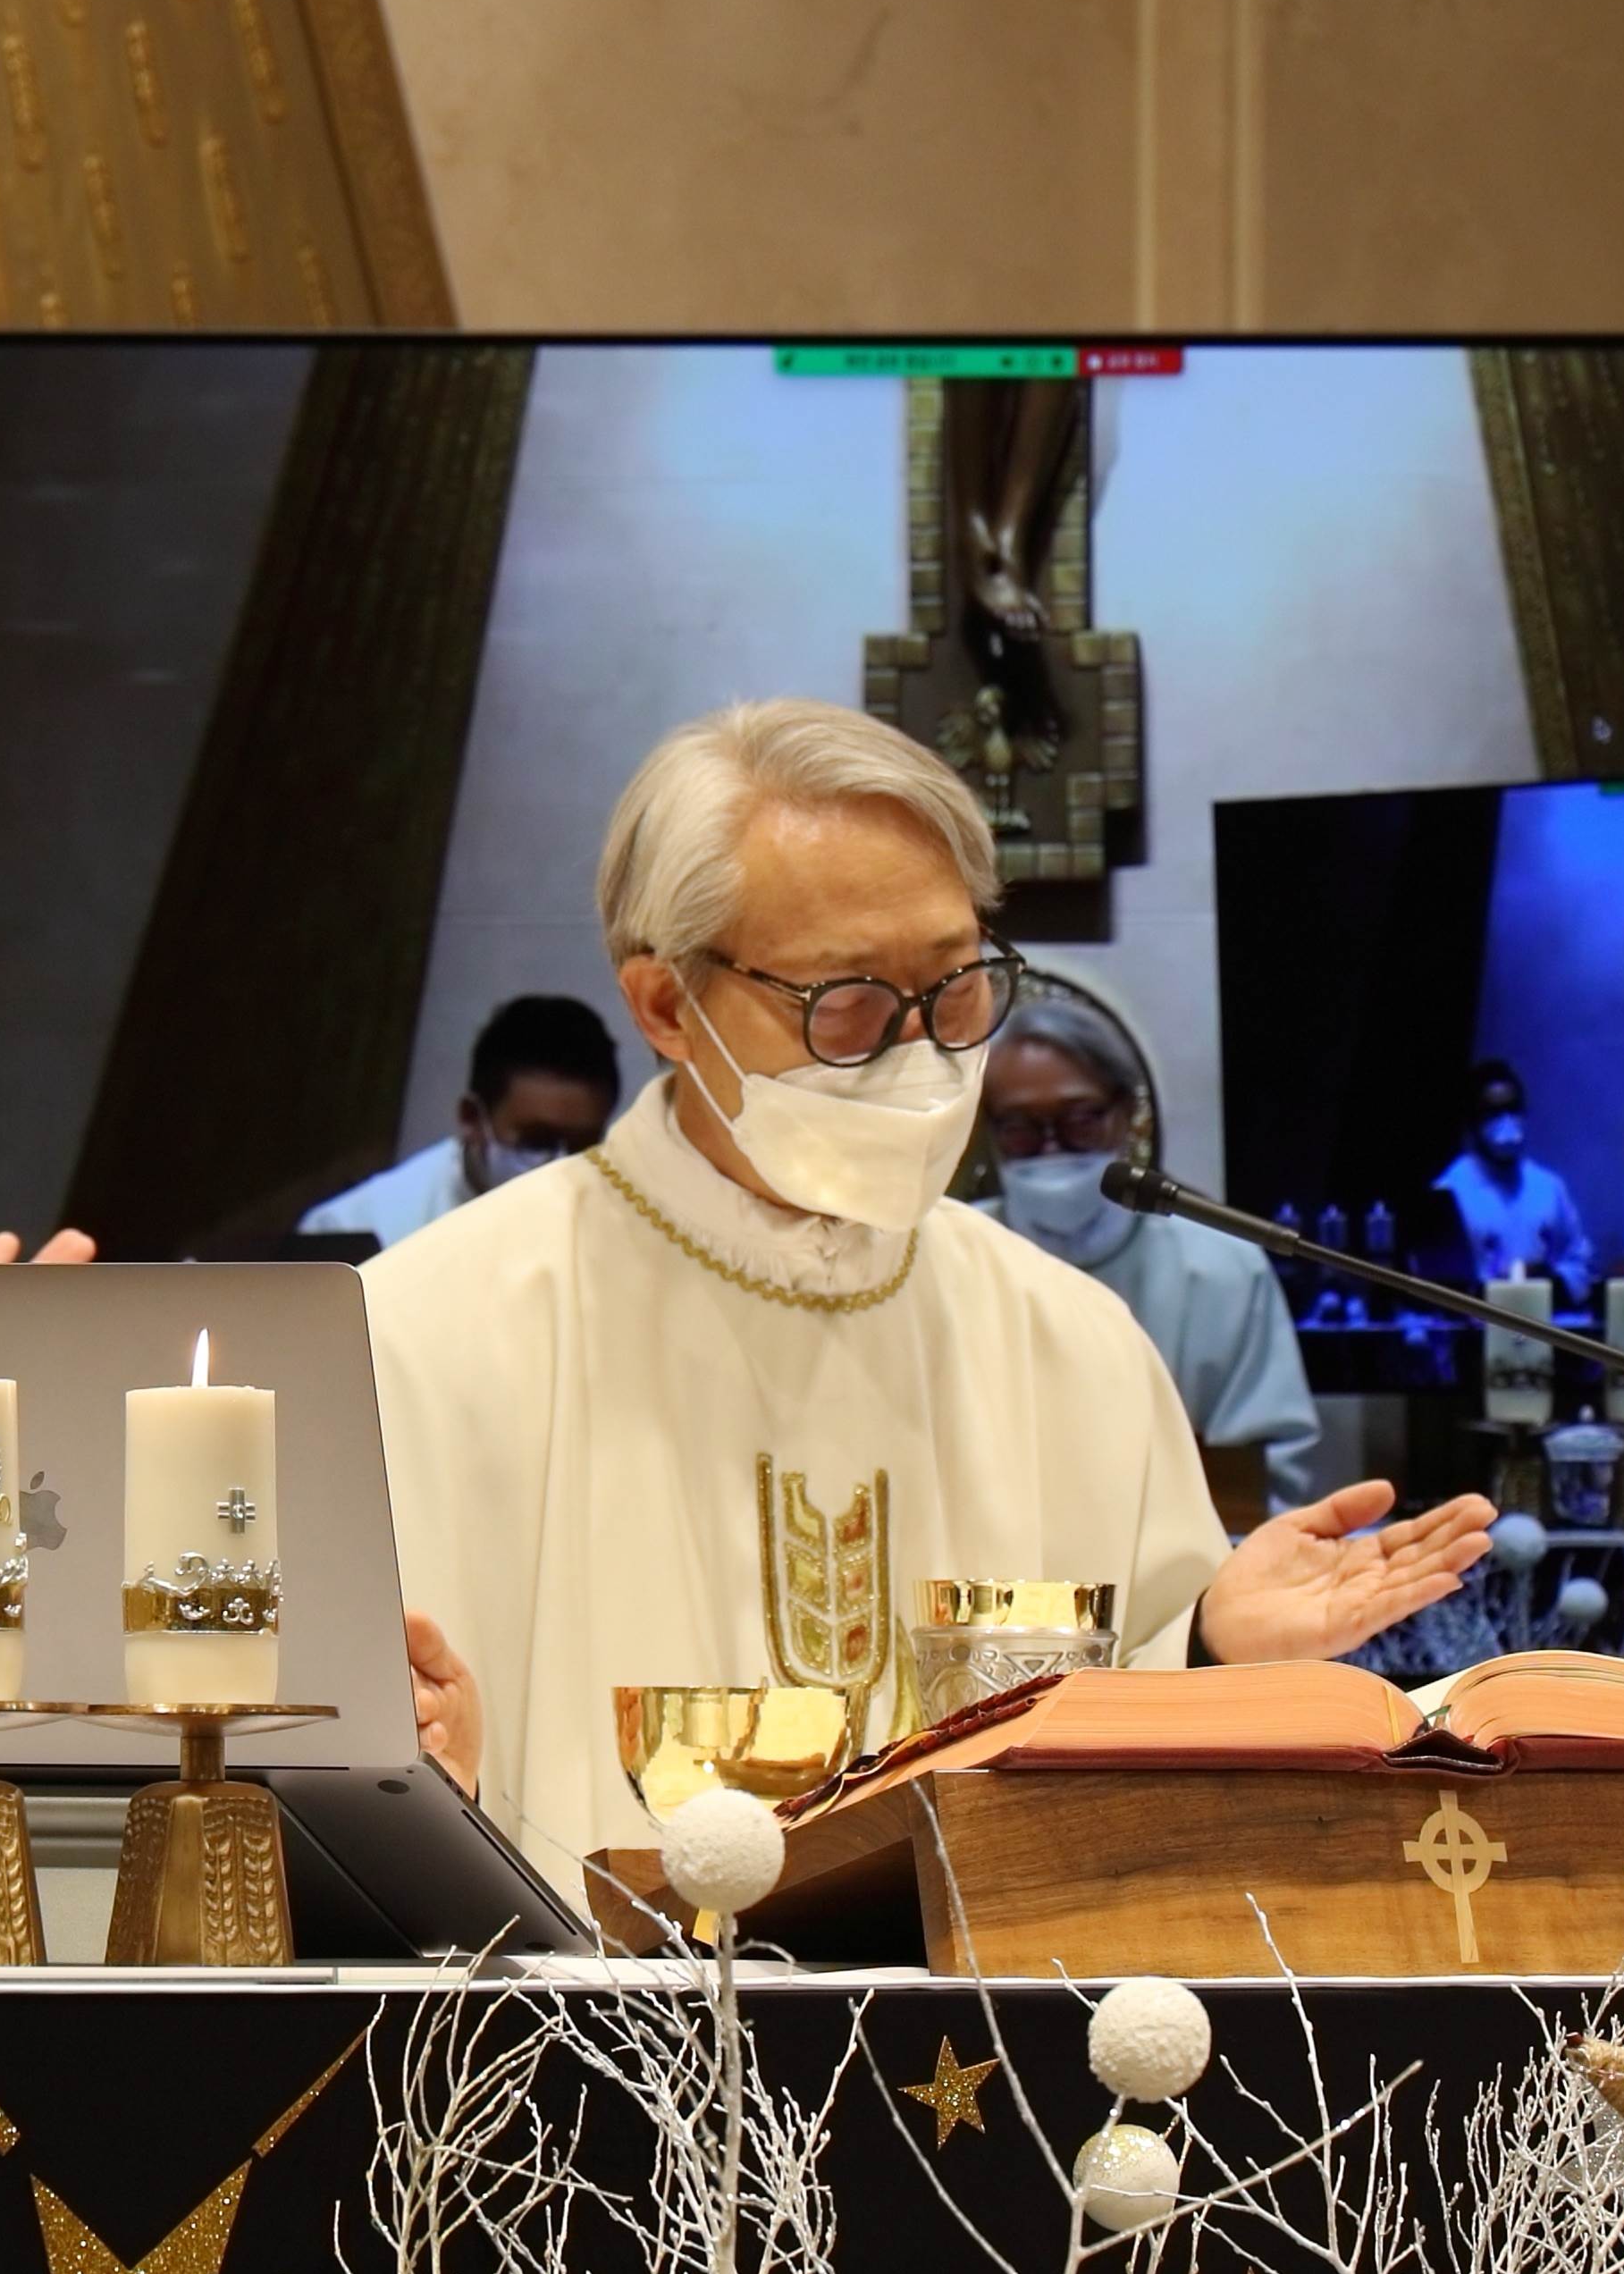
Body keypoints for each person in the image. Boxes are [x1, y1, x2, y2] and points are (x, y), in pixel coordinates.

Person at [363, 699, 1492, 1882]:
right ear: (665, 1006)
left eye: (956, 986)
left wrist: (1208, 1645)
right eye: (844, 1002)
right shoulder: (431, 1335)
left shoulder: (1068, 1342)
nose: (923, 1054)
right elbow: (371, 1790)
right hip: (587, 2001)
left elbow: (1120, 1761)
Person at [976, 973, 1323, 1512]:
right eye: (1020, 1125)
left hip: (1190, 1561)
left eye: (1079, 1120)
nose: (1051, 1147)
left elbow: (1263, 1475)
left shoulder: (1222, 1268)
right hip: (993, 1564)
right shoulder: (951, 1259)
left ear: (1124, 1114)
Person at [295, 993, 622, 1250]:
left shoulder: (621, 1229)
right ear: (472, 1119)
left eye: (583, 1145)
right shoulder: (355, 1230)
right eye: (537, 1141)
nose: (563, 1169)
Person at [1428, 1057, 1587, 1284]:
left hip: (1541, 1306)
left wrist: (1552, 1278)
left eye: (1513, 1109)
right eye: (1494, 1113)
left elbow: (1580, 1262)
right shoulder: (1449, 1192)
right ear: (1472, 1122)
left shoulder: (1549, 1188)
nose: (1507, 1122)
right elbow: (1440, 1279)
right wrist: (1499, 1284)